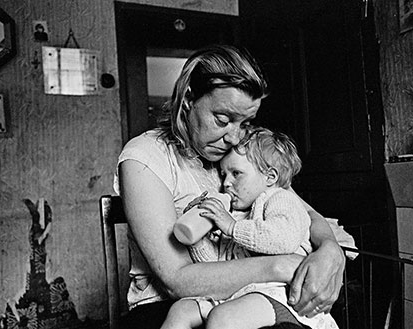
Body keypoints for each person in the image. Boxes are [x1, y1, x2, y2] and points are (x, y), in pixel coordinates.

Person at [114, 44, 345, 329]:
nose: (234, 137)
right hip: (170, 306)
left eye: (245, 123)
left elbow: (305, 214)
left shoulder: (239, 155)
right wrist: (283, 266)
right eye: (222, 120)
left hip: (252, 296)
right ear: (188, 100)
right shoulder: (145, 158)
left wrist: (331, 250)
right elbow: (177, 281)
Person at [162, 127, 339, 329]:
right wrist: (197, 238)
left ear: (270, 177)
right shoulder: (238, 214)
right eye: (223, 174)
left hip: (279, 293)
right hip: (240, 292)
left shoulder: (281, 199)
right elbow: (217, 264)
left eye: (236, 174)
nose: (226, 183)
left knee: (224, 318)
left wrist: (230, 226)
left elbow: (282, 240)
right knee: (182, 310)